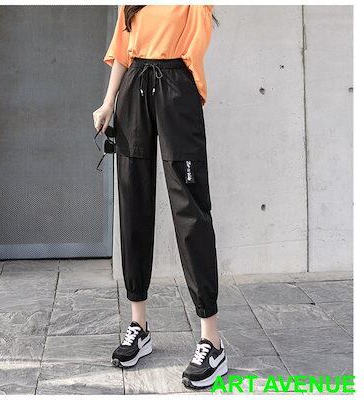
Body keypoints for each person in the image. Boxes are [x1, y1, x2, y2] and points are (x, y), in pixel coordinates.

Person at [93, 4, 227, 389]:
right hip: (133, 90)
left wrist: (181, 95)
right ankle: (139, 326)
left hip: (175, 87)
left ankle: (212, 341)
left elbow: (195, 48)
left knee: (190, 212)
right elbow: (123, 51)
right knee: (133, 205)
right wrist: (108, 102)